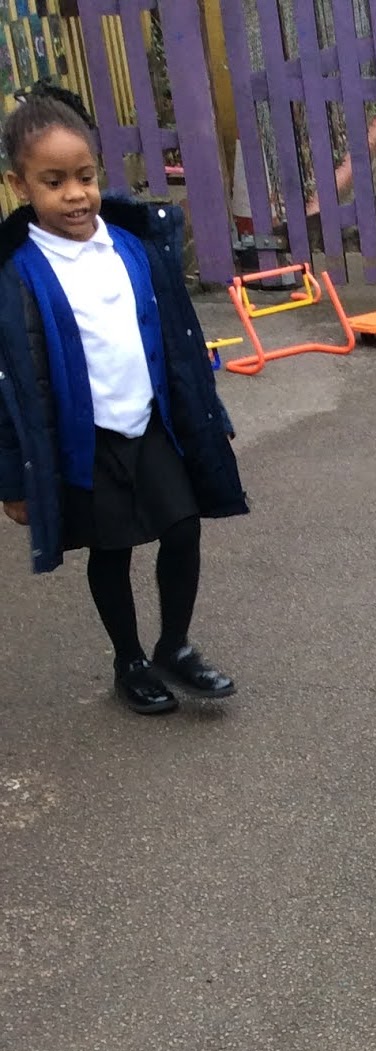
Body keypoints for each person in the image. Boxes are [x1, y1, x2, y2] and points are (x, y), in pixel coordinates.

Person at [0, 83, 246, 715]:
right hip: (87, 440)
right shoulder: (16, 273)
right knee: (110, 550)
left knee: (183, 528)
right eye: (53, 182)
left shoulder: (135, 246)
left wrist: (210, 415)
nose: (75, 194)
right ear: (19, 185)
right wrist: (12, 481)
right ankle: (129, 660)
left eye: (84, 177)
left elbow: (182, 341)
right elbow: (7, 388)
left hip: (150, 421)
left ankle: (174, 646)